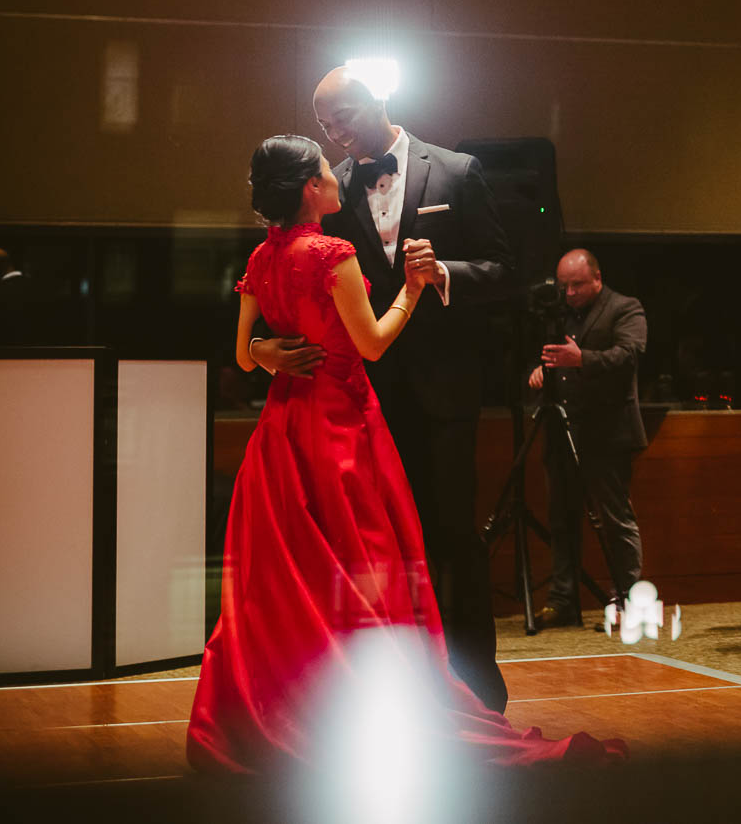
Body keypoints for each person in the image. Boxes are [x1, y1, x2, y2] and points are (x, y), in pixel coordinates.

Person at [188, 136, 624, 772]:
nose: (337, 177)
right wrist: (415, 289)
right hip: (340, 425)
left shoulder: (262, 255)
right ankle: (365, 704)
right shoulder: (332, 252)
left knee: (293, 580)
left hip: (281, 431)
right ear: (311, 188)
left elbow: (240, 350)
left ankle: (291, 701)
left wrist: (262, 354)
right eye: (324, 171)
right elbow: (371, 345)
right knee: (364, 568)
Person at [249, 67, 512, 712]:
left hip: (445, 393)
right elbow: (274, 288)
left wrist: (444, 271)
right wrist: (260, 348)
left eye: (339, 116)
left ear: (378, 100)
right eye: (323, 124)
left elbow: (509, 269)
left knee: (453, 534)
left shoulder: (456, 170)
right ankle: (395, 690)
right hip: (361, 402)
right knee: (378, 550)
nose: (333, 132)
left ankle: (478, 689)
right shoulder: (324, 203)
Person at [527, 249, 647, 628]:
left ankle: (630, 604)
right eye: (564, 285)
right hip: (563, 429)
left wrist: (583, 360)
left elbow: (629, 355)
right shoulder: (560, 312)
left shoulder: (625, 308)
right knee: (561, 519)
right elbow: (556, 359)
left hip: (607, 432)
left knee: (614, 521)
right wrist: (541, 372)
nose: (570, 293)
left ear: (597, 278)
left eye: (577, 284)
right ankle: (564, 601)